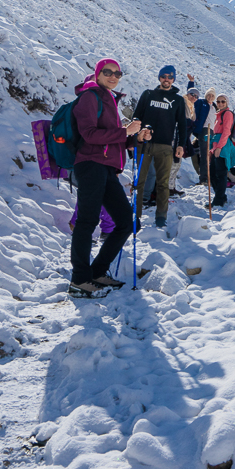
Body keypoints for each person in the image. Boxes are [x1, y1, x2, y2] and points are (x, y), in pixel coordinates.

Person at [69, 59, 144, 294]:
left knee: (126, 222)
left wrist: (134, 138)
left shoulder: (108, 98)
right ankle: (79, 280)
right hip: (90, 164)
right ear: (97, 73)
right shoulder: (90, 96)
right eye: (108, 72)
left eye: (117, 73)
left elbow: (112, 138)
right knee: (87, 222)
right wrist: (125, 131)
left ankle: (97, 272)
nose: (113, 76)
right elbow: (89, 134)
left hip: (107, 168)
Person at [133, 65, 186, 229]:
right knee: (139, 182)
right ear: (159, 78)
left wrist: (180, 145)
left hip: (165, 146)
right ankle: (136, 216)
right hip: (144, 144)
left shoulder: (178, 100)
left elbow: (182, 125)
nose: (166, 79)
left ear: (173, 79)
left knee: (163, 183)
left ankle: (161, 217)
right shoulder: (148, 94)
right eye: (164, 76)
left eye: (170, 77)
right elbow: (136, 116)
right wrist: (137, 134)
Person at [206, 93, 235, 208]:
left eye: (223, 101)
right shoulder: (219, 115)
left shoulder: (227, 114)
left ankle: (218, 200)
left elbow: (226, 132)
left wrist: (219, 147)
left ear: (227, 103)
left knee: (220, 173)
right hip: (217, 145)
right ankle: (221, 197)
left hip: (222, 146)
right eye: (218, 101)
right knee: (213, 173)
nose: (220, 103)